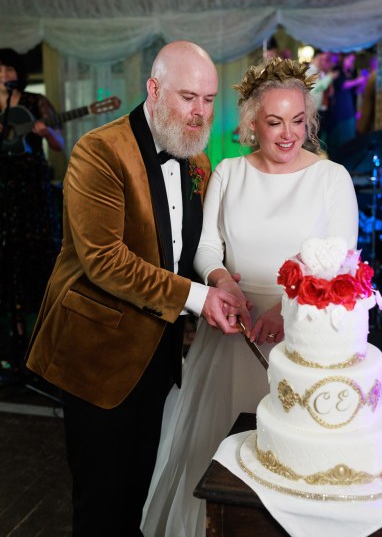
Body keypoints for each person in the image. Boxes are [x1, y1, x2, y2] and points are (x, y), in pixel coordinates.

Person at [25, 40, 250, 537]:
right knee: (101, 502)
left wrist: (225, 280)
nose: (200, 112)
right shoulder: (98, 152)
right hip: (97, 356)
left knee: (137, 494)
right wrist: (198, 298)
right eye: (188, 96)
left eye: (209, 99)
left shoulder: (195, 158)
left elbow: (190, 249)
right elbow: (105, 260)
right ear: (154, 89)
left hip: (158, 351)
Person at [141, 56, 359, 537]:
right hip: (231, 332)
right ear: (251, 124)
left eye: (299, 121)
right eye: (275, 122)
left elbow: (341, 262)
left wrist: (288, 313)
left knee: (287, 463)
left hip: (300, 339)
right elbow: (205, 247)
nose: (288, 135)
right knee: (221, 463)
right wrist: (223, 281)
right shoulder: (229, 172)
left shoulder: (332, 179)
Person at [0, 48, 64, 380]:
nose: (4, 74)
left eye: (8, 68)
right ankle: (11, 349)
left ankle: (42, 352)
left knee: (38, 264)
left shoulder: (36, 103)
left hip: (33, 193)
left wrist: (46, 132)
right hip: (4, 193)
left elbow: (59, 144)